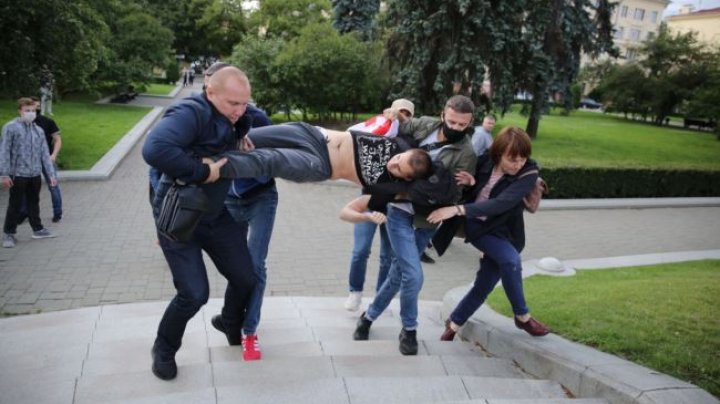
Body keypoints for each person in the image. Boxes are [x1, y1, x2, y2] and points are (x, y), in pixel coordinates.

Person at [141, 67, 257, 380]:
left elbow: (262, 124)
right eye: (233, 103)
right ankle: (164, 348)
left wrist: (243, 136)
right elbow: (153, 150)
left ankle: (229, 320)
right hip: (179, 217)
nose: (240, 110)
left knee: (247, 277)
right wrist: (202, 172)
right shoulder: (190, 112)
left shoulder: (237, 115)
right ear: (210, 92)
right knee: (194, 293)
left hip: (215, 215)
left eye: (244, 103)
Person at [351, 95, 477, 355]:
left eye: (462, 125)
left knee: (400, 273)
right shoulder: (426, 126)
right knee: (413, 275)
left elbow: (453, 195)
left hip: (427, 219)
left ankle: (368, 317)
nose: (455, 127)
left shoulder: (467, 153)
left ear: (470, 123)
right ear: (443, 114)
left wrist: (462, 189)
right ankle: (409, 329)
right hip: (398, 211)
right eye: (451, 121)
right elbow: (399, 126)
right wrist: (391, 115)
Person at [428, 126, 551, 341]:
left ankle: (454, 323)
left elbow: (501, 203)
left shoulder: (528, 173)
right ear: (499, 153)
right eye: (513, 159)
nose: (518, 164)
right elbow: (474, 192)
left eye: (523, 158)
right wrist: (471, 183)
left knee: (484, 284)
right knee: (511, 261)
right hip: (479, 228)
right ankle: (523, 317)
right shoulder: (484, 161)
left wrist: (457, 210)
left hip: (508, 234)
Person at [343, 98, 415, 312]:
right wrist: (385, 120)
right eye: (398, 111)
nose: (401, 116)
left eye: (407, 113)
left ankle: (379, 297)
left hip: (395, 206)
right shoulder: (380, 130)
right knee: (360, 250)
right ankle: (354, 292)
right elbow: (359, 140)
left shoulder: (413, 141)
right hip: (370, 200)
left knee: (387, 257)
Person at [217, 123, 432, 186]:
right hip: (313, 134)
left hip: (319, 164)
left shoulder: (390, 187)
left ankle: (207, 167)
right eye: (398, 158)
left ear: (407, 177)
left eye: (398, 169)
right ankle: (201, 144)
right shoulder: (402, 141)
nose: (392, 163)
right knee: (248, 137)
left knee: (271, 159)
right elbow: (424, 123)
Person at [1, 98, 58, 248]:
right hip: (17, 174)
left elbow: (45, 154)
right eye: (27, 110)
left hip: (34, 174)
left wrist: (51, 175)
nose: (31, 113)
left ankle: (37, 229)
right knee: (15, 204)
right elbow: (4, 151)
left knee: (34, 202)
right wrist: (4, 174)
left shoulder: (38, 130)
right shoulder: (10, 128)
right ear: (20, 110)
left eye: (33, 110)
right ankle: (9, 233)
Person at [17, 98, 63, 223]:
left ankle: (57, 212)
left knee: (53, 186)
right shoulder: (19, 125)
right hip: (29, 161)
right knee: (26, 187)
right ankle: (23, 212)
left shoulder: (47, 122)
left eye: (36, 107)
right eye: (30, 108)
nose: (34, 110)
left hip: (46, 159)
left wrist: (53, 155)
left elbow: (57, 139)